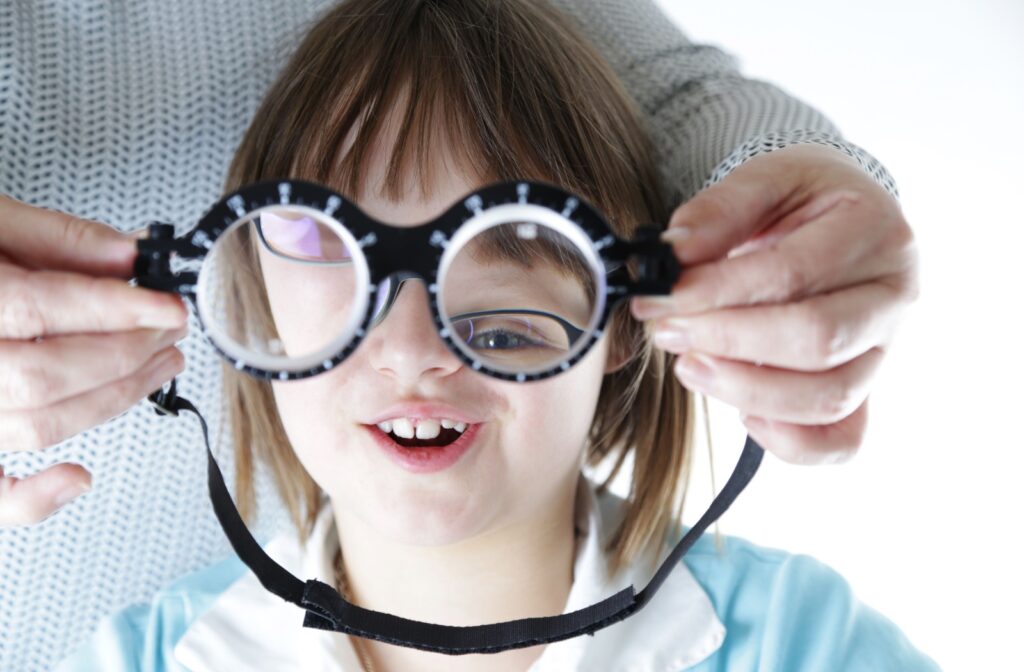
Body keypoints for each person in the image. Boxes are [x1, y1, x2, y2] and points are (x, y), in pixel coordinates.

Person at [0, 0, 919, 669]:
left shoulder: (807, 647)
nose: (409, 348)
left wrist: (788, 194)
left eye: (504, 313)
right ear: (253, 309)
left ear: (634, 319)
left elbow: (684, 100)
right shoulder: (138, 658)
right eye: (324, 241)